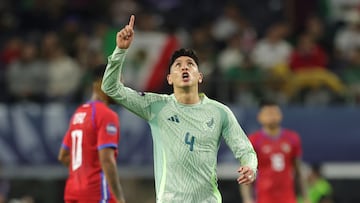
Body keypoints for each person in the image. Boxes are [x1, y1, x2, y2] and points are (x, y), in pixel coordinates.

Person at [101, 15, 258, 202]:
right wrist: (120, 50)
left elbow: (245, 150)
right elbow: (110, 88)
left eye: (190, 64)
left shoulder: (219, 112)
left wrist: (250, 167)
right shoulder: (156, 106)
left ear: (199, 76)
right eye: (178, 65)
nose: (185, 68)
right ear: (169, 78)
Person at [58, 64, 126, 203]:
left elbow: (63, 156)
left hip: (73, 192)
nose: (122, 88)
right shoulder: (106, 115)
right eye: (118, 82)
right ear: (103, 82)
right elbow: (107, 160)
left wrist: (84, 171)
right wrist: (119, 198)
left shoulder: (79, 112)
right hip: (96, 193)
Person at [240, 100, 309, 203]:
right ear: (260, 117)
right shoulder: (253, 140)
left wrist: (305, 197)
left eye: (274, 113)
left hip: (288, 198)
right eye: (268, 113)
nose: (272, 117)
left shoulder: (292, 139)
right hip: (264, 198)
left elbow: (298, 171)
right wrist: (247, 199)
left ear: (280, 115)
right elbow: (247, 174)